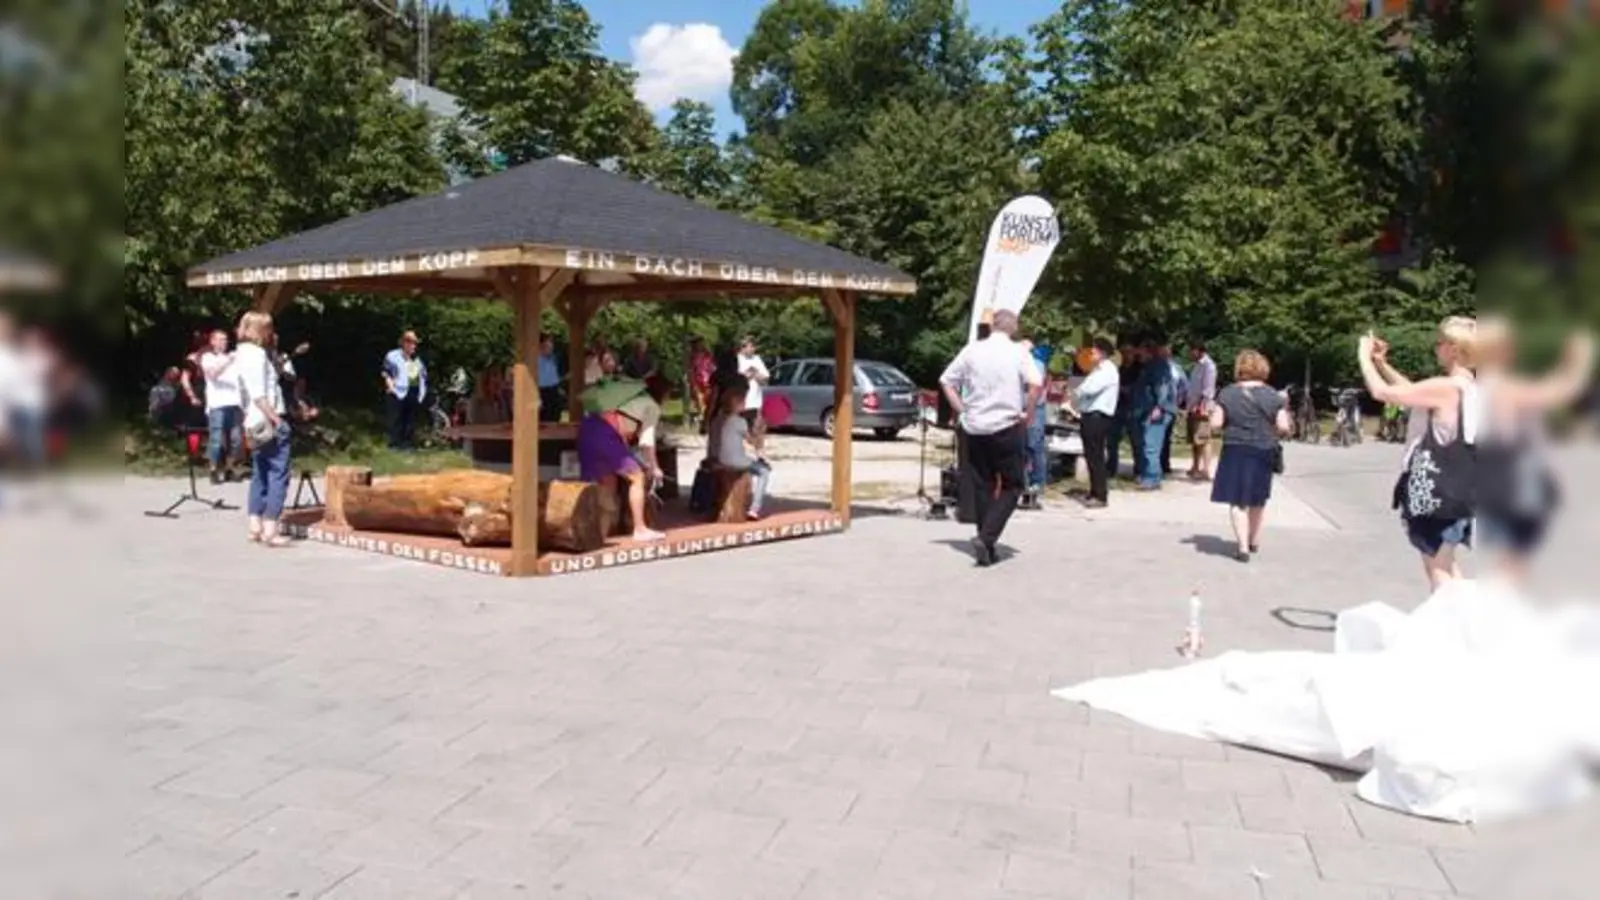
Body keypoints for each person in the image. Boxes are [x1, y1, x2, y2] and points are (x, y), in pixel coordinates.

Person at [1357, 316, 1479, 591]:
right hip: (1461, 490)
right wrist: (1382, 364)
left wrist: (1363, 355)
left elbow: (1382, 392)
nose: (1436, 348)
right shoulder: (1470, 389)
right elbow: (1413, 393)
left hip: (1435, 491)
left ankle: (1453, 631)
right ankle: (1469, 626)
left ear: (1455, 348)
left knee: (1439, 572)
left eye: (1440, 343)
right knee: (1447, 565)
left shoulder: (1447, 387)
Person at [1470, 319, 1594, 586]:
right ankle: (1503, 614)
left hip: (1494, 478)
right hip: (1516, 481)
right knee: (1513, 562)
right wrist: (1578, 360)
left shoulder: (1482, 385)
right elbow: (1560, 392)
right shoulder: (1503, 387)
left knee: (1507, 559)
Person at [938, 309, 1042, 567]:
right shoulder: (1018, 352)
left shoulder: (973, 350)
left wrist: (962, 410)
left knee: (982, 484)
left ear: (992, 326)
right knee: (1013, 484)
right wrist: (1028, 413)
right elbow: (1035, 384)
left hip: (975, 427)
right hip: (1006, 425)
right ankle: (987, 537)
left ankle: (987, 544)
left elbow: (946, 380)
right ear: (1013, 327)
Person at [1209, 350, 1291, 562]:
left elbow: (1216, 424)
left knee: (1238, 501)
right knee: (1258, 499)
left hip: (1236, 449)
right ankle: (1254, 540)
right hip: (1263, 449)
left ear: (1240, 369)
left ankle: (1243, 548)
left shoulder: (1227, 393)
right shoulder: (1273, 395)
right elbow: (1284, 426)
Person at [576, 378, 666, 542]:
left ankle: (601, 531)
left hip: (588, 430)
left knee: (607, 485)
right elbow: (647, 442)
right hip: (606, 435)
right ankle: (640, 529)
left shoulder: (619, 400)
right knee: (637, 477)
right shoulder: (651, 406)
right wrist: (654, 467)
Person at [235, 311, 292, 548]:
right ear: (261, 330)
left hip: (251, 420)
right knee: (279, 473)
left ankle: (255, 524)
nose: (271, 333)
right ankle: (271, 528)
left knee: (260, 472)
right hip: (267, 419)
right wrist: (276, 420)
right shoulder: (257, 355)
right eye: (268, 329)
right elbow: (259, 394)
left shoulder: (239, 353)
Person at [713, 376, 774, 519]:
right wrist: (760, 430)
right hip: (737, 461)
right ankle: (755, 508)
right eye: (743, 401)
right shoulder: (740, 421)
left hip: (722, 458)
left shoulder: (720, 418)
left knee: (753, 465)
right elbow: (753, 443)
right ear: (737, 404)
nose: (746, 404)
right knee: (764, 471)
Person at [1070, 338, 1120, 508]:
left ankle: (1100, 494)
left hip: (1098, 416)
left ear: (1103, 353)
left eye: (1093, 351)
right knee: (1090, 455)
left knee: (1096, 456)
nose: (1091, 354)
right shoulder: (1097, 370)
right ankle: (1093, 490)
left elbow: (1089, 389)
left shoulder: (1107, 370)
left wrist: (1076, 392)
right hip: (1089, 414)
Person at [1130, 336, 1177, 490]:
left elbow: (1161, 387)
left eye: (1141, 351)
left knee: (1151, 445)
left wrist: (1159, 406)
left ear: (1148, 351)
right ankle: (1147, 475)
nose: (1138, 355)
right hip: (1148, 410)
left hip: (1157, 411)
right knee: (1147, 444)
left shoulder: (1158, 366)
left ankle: (1152, 478)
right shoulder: (1150, 365)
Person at [198, 328, 242, 483]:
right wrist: (227, 361)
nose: (224, 342)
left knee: (236, 440)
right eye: (221, 339)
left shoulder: (232, 358)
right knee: (216, 440)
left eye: (226, 339)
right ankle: (213, 469)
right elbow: (212, 375)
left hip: (235, 403)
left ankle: (229, 468)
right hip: (217, 405)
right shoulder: (207, 357)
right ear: (212, 341)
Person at [381, 330, 427, 449]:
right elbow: (386, 373)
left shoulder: (416, 359)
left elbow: (421, 376)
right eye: (412, 343)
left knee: (409, 420)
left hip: (413, 391)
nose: (414, 346)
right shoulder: (393, 355)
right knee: (395, 419)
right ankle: (394, 444)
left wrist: (421, 393)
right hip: (397, 391)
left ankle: (407, 444)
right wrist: (391, 388)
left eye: (415, 343)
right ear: (404, 343)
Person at [1107, 340, 1142, 479]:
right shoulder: (1119, 370)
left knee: (1136, 441)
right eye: (1123, 353)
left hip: (1133, 409)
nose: (1126, 355)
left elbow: (1136, 388)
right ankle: (1111, 468)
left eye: (1129, 353)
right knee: (1112, 440)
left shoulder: (1139, 370)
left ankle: (1139, 470)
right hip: (1119, 408)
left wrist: (1122, 389)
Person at [1019, 338, 1050, 496]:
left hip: (1035, 408)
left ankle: (1038, 481)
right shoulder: (1019, 364)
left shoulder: (1037, 364)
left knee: (1034, 445)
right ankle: (1024, 481)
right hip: (1021, 407)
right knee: (1022, 446)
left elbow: (1034, 388)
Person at [1185, 341, 1219, 481]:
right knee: (1194, 439)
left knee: (1203, 438)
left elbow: (1208, 388)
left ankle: (1206, 470)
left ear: (1198, 350)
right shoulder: (1196, 366)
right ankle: (1195, 466)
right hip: (1192, 406)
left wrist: (1202, 405)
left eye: (1191, 351)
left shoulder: (1208, 366)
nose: (1189, 354)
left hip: (1202, 407)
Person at [1159, 340, 1188, 477]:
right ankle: (1157, 464)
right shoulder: (1155, 366)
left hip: (1171, 406)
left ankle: (1164, 463)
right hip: (1159, 405)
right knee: (1157, 436)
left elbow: (1184, 385)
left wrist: (1179, 400)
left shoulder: (1176, 368)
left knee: (1166, 436)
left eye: (1167, 350)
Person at [736, 335, 769, 428]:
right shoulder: (737, 359)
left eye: (754, 346)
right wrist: (748, 375)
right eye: (751, 346)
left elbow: (765, 378)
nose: (753, 349)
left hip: (755, 401)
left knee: (755, 427)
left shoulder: (757, 359)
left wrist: (755, 374)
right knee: (741, 427)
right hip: (741, 401)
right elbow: (736, 378)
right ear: (743, 347)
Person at [687, 337, 714, 431]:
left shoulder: (707, 355)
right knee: (699, 400)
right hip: (697, 381)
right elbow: (690, 370)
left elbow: (711, 366)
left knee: (708, 400)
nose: (700, 345)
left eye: (701, 343)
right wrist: (692, 382)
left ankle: (705, 419)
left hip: (708, 381)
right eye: (698, 343)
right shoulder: (692, 356)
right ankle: (702, 419)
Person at [537, 333, 562, 422]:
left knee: (555, 417)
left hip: (554, 391)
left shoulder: (553, 359)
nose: (551, 346)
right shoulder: (536, 360)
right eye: (548, 343)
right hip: (542, 391)